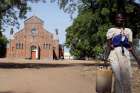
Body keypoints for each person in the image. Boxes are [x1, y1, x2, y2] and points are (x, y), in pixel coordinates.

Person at [106, 13, 140, 93]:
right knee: (118, 76)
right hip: (114, 54)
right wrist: (105, 59)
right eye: (117, 18)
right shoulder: (111, 30)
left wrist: (137, 59)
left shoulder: (128, 31)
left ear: (124, 19)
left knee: (126, 77)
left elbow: (131, 47)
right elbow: (108, 45)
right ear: (115, 19)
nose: (119, 19)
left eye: (121, 18)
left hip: (125, 55)